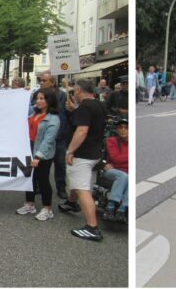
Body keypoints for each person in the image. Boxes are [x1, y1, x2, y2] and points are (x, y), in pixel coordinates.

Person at [58, 79, 107, 242]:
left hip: (83, 154)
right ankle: (71, 203)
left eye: (74, 91)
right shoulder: (99, 104)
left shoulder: (84, 108)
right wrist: (75, 110)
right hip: (95, 152)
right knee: (83, 184)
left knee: (82, 189)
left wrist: (70, 151)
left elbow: (82, 131)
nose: (73, 94)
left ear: (79, 90)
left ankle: (92, 227)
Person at [17, 89, 59, 220]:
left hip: (42, 153)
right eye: (38, 98)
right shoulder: (33, 112)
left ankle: (47, 208)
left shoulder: (53, 119)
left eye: (42, 99)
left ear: (49, 101)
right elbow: (19, 108)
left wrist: (38, 157)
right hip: (28, 149)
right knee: (29, 179)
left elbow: (48, 140)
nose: (39, 101)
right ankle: (29, 204)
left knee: (43, 180)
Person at [101, 118, 129, 222]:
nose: (123, 130)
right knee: (124, 176)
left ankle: (122, 209)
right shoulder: (112, 140)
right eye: (120, 128)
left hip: (124, 171)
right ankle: (110, 206)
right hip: (112, 171)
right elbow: (115, 158)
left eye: (126, 128)